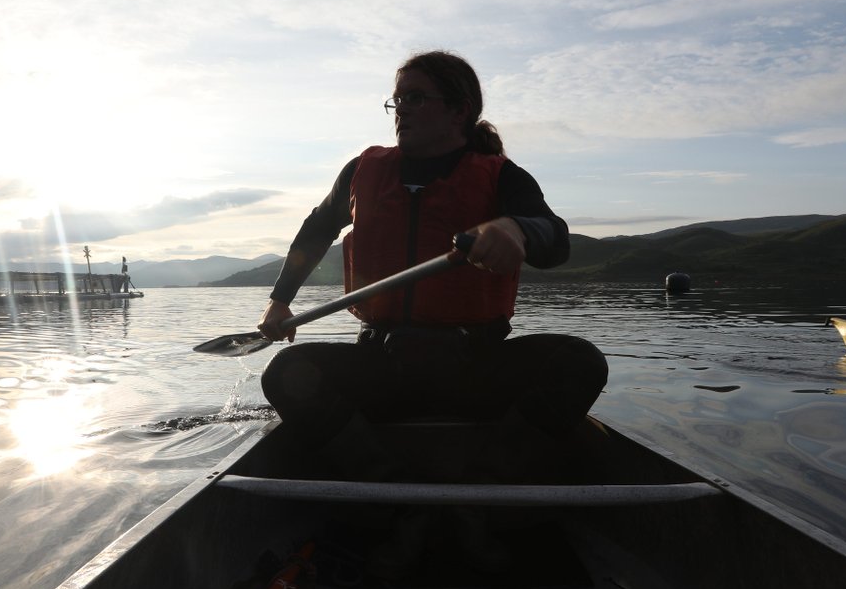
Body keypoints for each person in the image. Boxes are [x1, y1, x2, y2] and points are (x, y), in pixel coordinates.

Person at [254, 50, 607, 481]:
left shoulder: (502, 176)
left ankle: (485, 487)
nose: (400, 110)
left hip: (475, 368)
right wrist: (279, 301)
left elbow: (555, 239)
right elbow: (315, 230)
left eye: (416, 98)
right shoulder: (362, 171)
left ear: (459, 110)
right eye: (397, 100)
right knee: (287, 373)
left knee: (580, 362)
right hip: (383, 366)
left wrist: (518, 230)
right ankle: (386, 487)